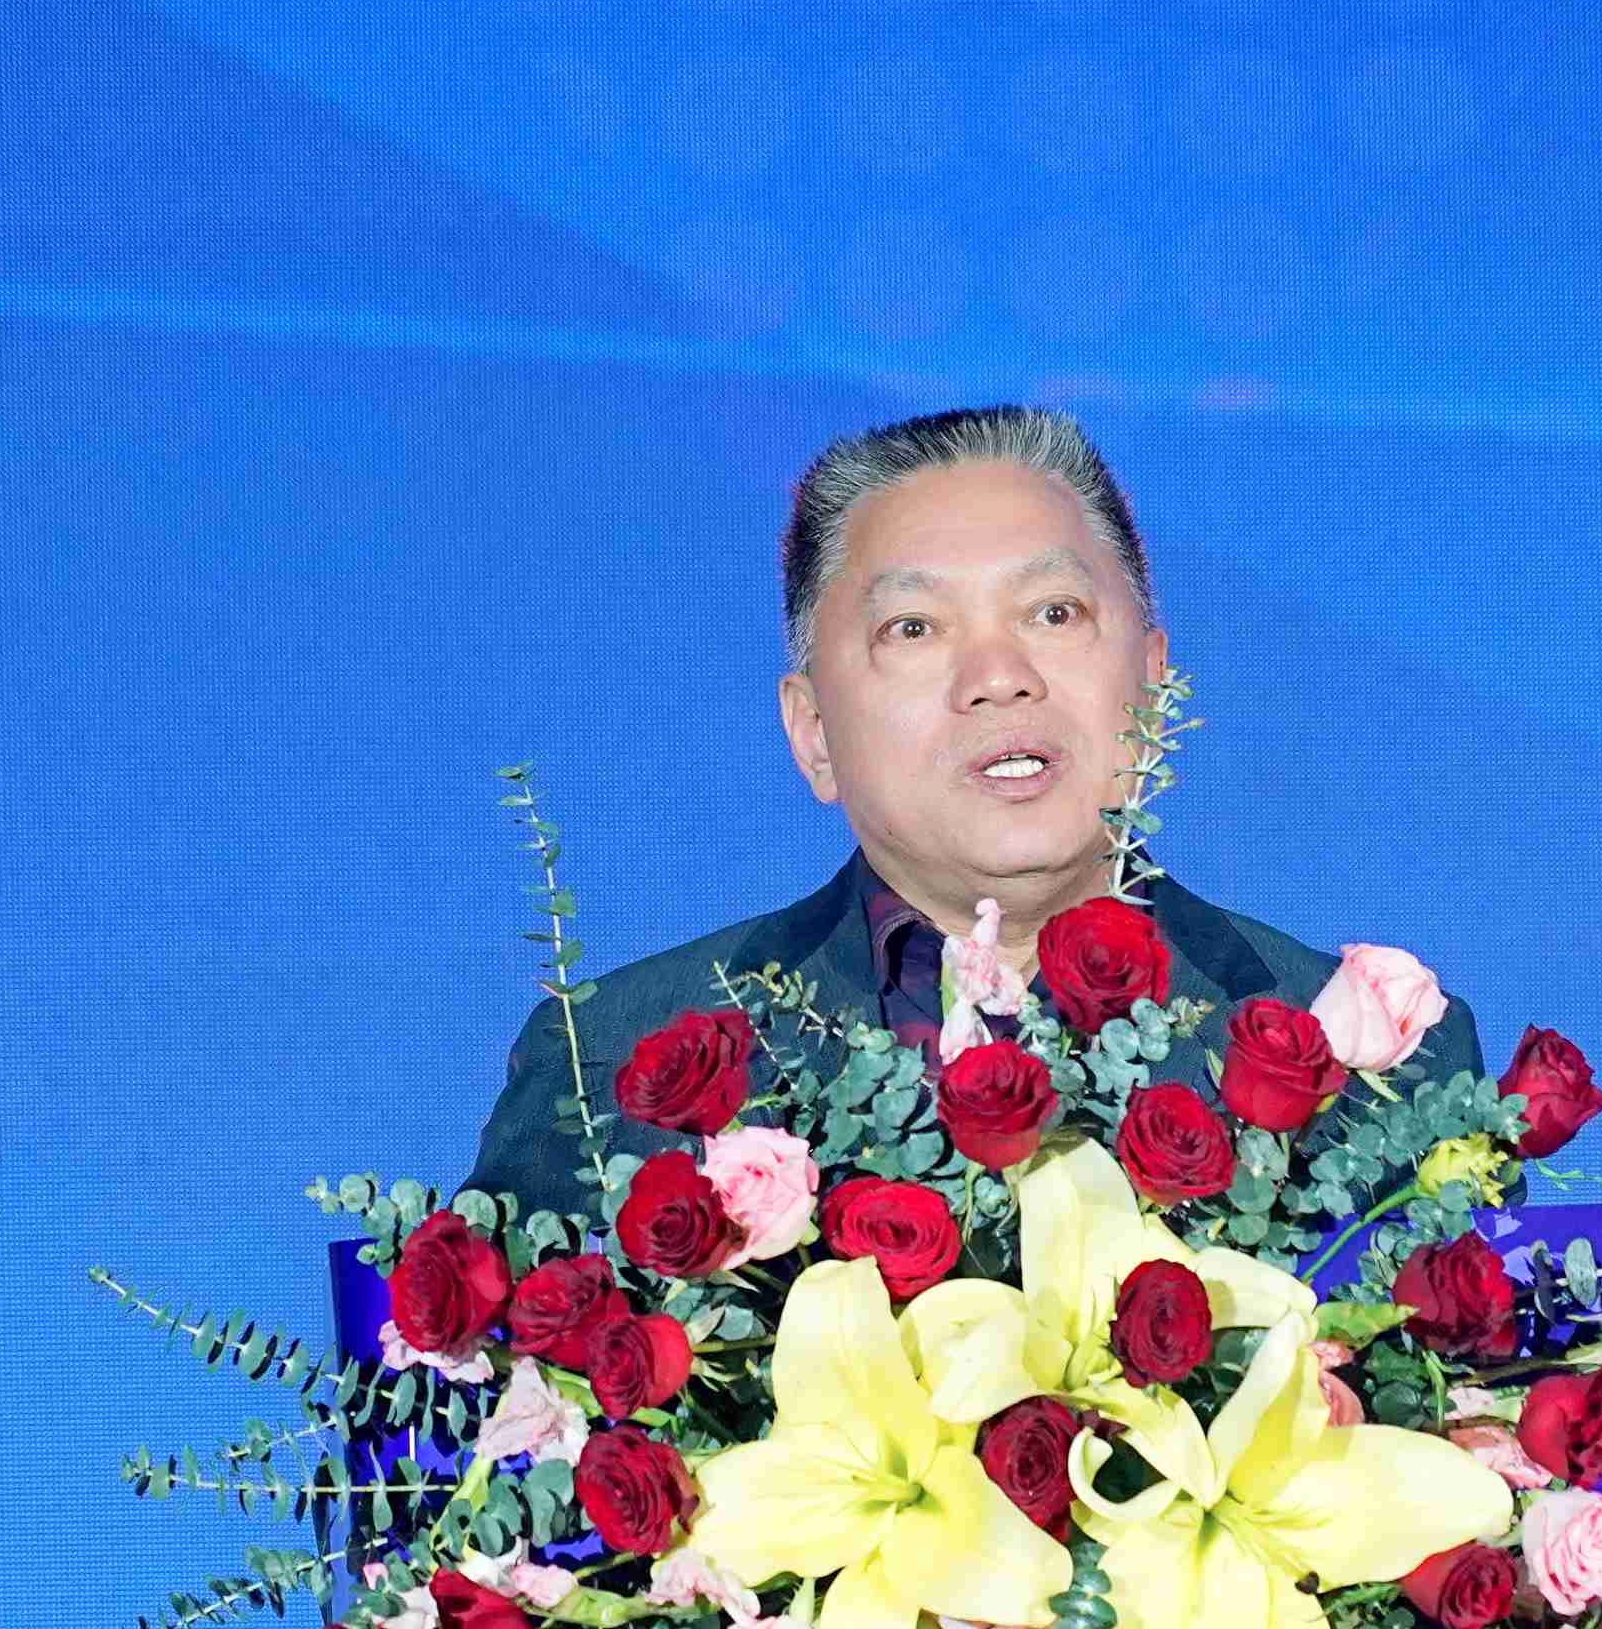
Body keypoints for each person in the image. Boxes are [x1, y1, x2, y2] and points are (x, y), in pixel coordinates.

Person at [460, 404, 1487, 1225]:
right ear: (813, 734)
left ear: (1156, 684)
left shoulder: (1374, 1059)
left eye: (1053, 613)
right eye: (914, 627)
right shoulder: (612, 1064)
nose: (999, 676)